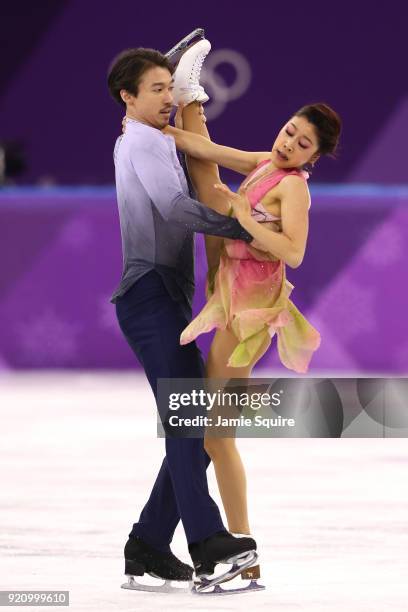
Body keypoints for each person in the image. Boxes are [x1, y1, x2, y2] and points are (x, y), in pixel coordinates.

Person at [164, 92, 341, 579]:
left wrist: (243, 217)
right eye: (289, 131)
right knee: (211, 437)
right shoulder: (266, 163)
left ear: (313, 157)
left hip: (252, 317)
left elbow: (295, 251)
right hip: (234, 300)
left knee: (218, 437)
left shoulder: (295, 190)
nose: (288, 143)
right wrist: (161, 131)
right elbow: (214, 153)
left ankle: (244, 553)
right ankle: (188, 97)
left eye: (302, 143)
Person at [107, 40, 261, 594]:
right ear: (127, 97)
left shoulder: (149, 138)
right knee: (189, 423)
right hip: (149, 296)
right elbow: (177, 208)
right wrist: (247, 229)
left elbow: (200, 172)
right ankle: (206, 541)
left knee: (191, 424)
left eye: (170, 88)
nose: (166, 98)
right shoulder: (143, 143)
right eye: (157, 90)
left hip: (161, 298)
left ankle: (147, 543)